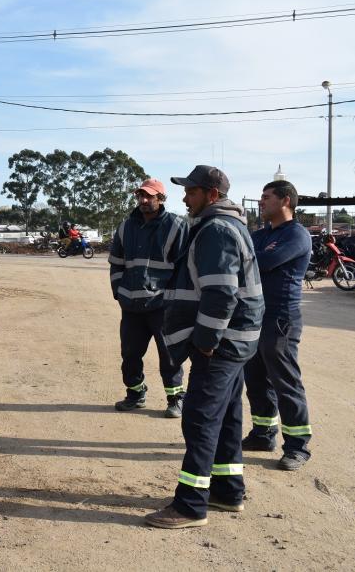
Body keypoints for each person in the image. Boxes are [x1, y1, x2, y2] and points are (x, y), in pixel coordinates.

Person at [145, 165, 264, 529]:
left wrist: (207, 342)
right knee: (227, 417)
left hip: (222, 344)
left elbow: (220, 293)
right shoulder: (227, 225)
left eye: (192, 191)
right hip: (237, 341)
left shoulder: (215, 229)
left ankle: (190, 505)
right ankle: (228, 491)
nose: (185, 197)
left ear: (212, 195)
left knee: (199, 419)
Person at [242, 180, 313, 471]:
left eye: (266, 197)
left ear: (285, 201)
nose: (261, 202)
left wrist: (245, 259)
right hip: (255, 316)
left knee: (285, 382)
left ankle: (297, 447)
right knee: (256, 380)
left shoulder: (297, 235)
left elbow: (263, 262)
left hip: (280, 319)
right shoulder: (260, 235)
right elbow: (244, 258)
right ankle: (263, 434)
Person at [108, 178, 189, 417]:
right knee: (130, 354)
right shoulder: (125, 227)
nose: (143, 200)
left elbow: (183, 268)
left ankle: (175, 398)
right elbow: (116, 264)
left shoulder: (176, 226)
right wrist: (118, 292)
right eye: (140, 196)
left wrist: (174, 299)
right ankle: (135, 393)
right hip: (131, 306)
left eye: (149, 196)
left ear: (161, 198)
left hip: (163, 307)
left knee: (169, 355)